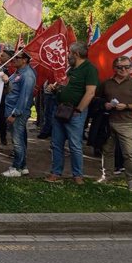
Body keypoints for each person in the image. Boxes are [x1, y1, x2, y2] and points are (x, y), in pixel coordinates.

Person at [45, 42, 98, 184]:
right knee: (56, 143)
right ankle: (56, 172)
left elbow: (90, 92)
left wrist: (79, 109)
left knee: (75, 145)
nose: (67, 56)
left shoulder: (89, 69)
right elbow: (65, 85)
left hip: (74, 112)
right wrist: (55, 89)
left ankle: (78, 175)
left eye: (69, 53)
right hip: (61, 109)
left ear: (76, 54)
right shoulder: (71, 69)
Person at [95, 56, 132, 192]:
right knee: (107, 151)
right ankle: (107, 176)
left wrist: (127, 106)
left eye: (127, 67)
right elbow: (97, 98)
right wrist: (104, 104)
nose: (123, 69)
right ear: (114, 68)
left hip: (126, 123)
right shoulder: (106, 83)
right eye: (120, 67)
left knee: (129, 153)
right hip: (108, 121)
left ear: (131, 68)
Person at [1, 52, 36, 177]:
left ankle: (16, 167)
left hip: (17, 112)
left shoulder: (27, 75)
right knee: (21, 139)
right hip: (12, 109)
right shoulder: (18, 72)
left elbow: (24, 97)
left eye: (17, 57)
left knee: (17, 141)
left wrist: (15, 114)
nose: (13, 59)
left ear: (25, 60)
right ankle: (23, 166)